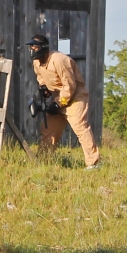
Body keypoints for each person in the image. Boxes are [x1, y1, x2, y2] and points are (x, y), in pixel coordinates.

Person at [27, 34, 101, 168]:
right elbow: (40, 76)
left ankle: (93, 164)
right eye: (31, 47)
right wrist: (44, 88)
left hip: (75, 97)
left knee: (80, 127)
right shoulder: (37, 62)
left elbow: (70, 86)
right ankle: (44, 163)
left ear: (43, 48)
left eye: (35, 47)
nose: (32, 50)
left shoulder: (59, 60)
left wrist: (58, 103)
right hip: (58, 96)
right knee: (48, 129)